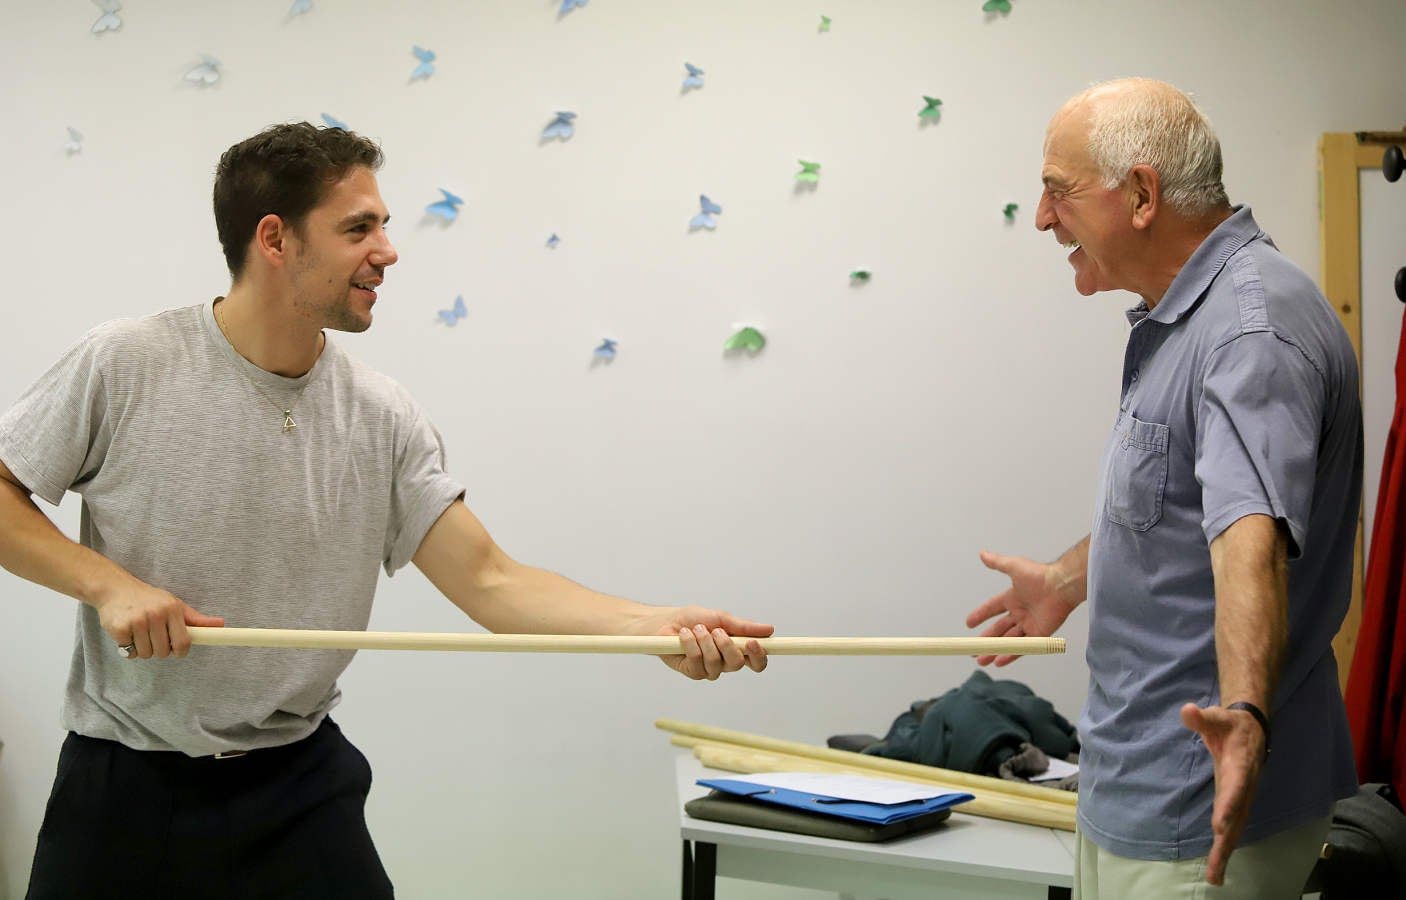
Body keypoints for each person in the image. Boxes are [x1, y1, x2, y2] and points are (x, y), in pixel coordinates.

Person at [0, 122, 772, 899]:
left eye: (385, 226)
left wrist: (656, 629)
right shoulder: (127, 362)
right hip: (125, 790)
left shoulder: (380, 414)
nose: (388, 250)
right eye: (358, 228)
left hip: (299, 787)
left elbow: (492, 581)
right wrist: (109, 585)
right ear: (276, 239)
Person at [966, 79, 1361, 898]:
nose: (1043, 219)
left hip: (1199, 807)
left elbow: (1247, 543)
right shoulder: (1192, 316)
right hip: (1134, 788)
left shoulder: (1252, 330)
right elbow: (1185, 498)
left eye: (1057, 192)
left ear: (1141, 194)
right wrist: (1072, 578)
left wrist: (1246, 719)